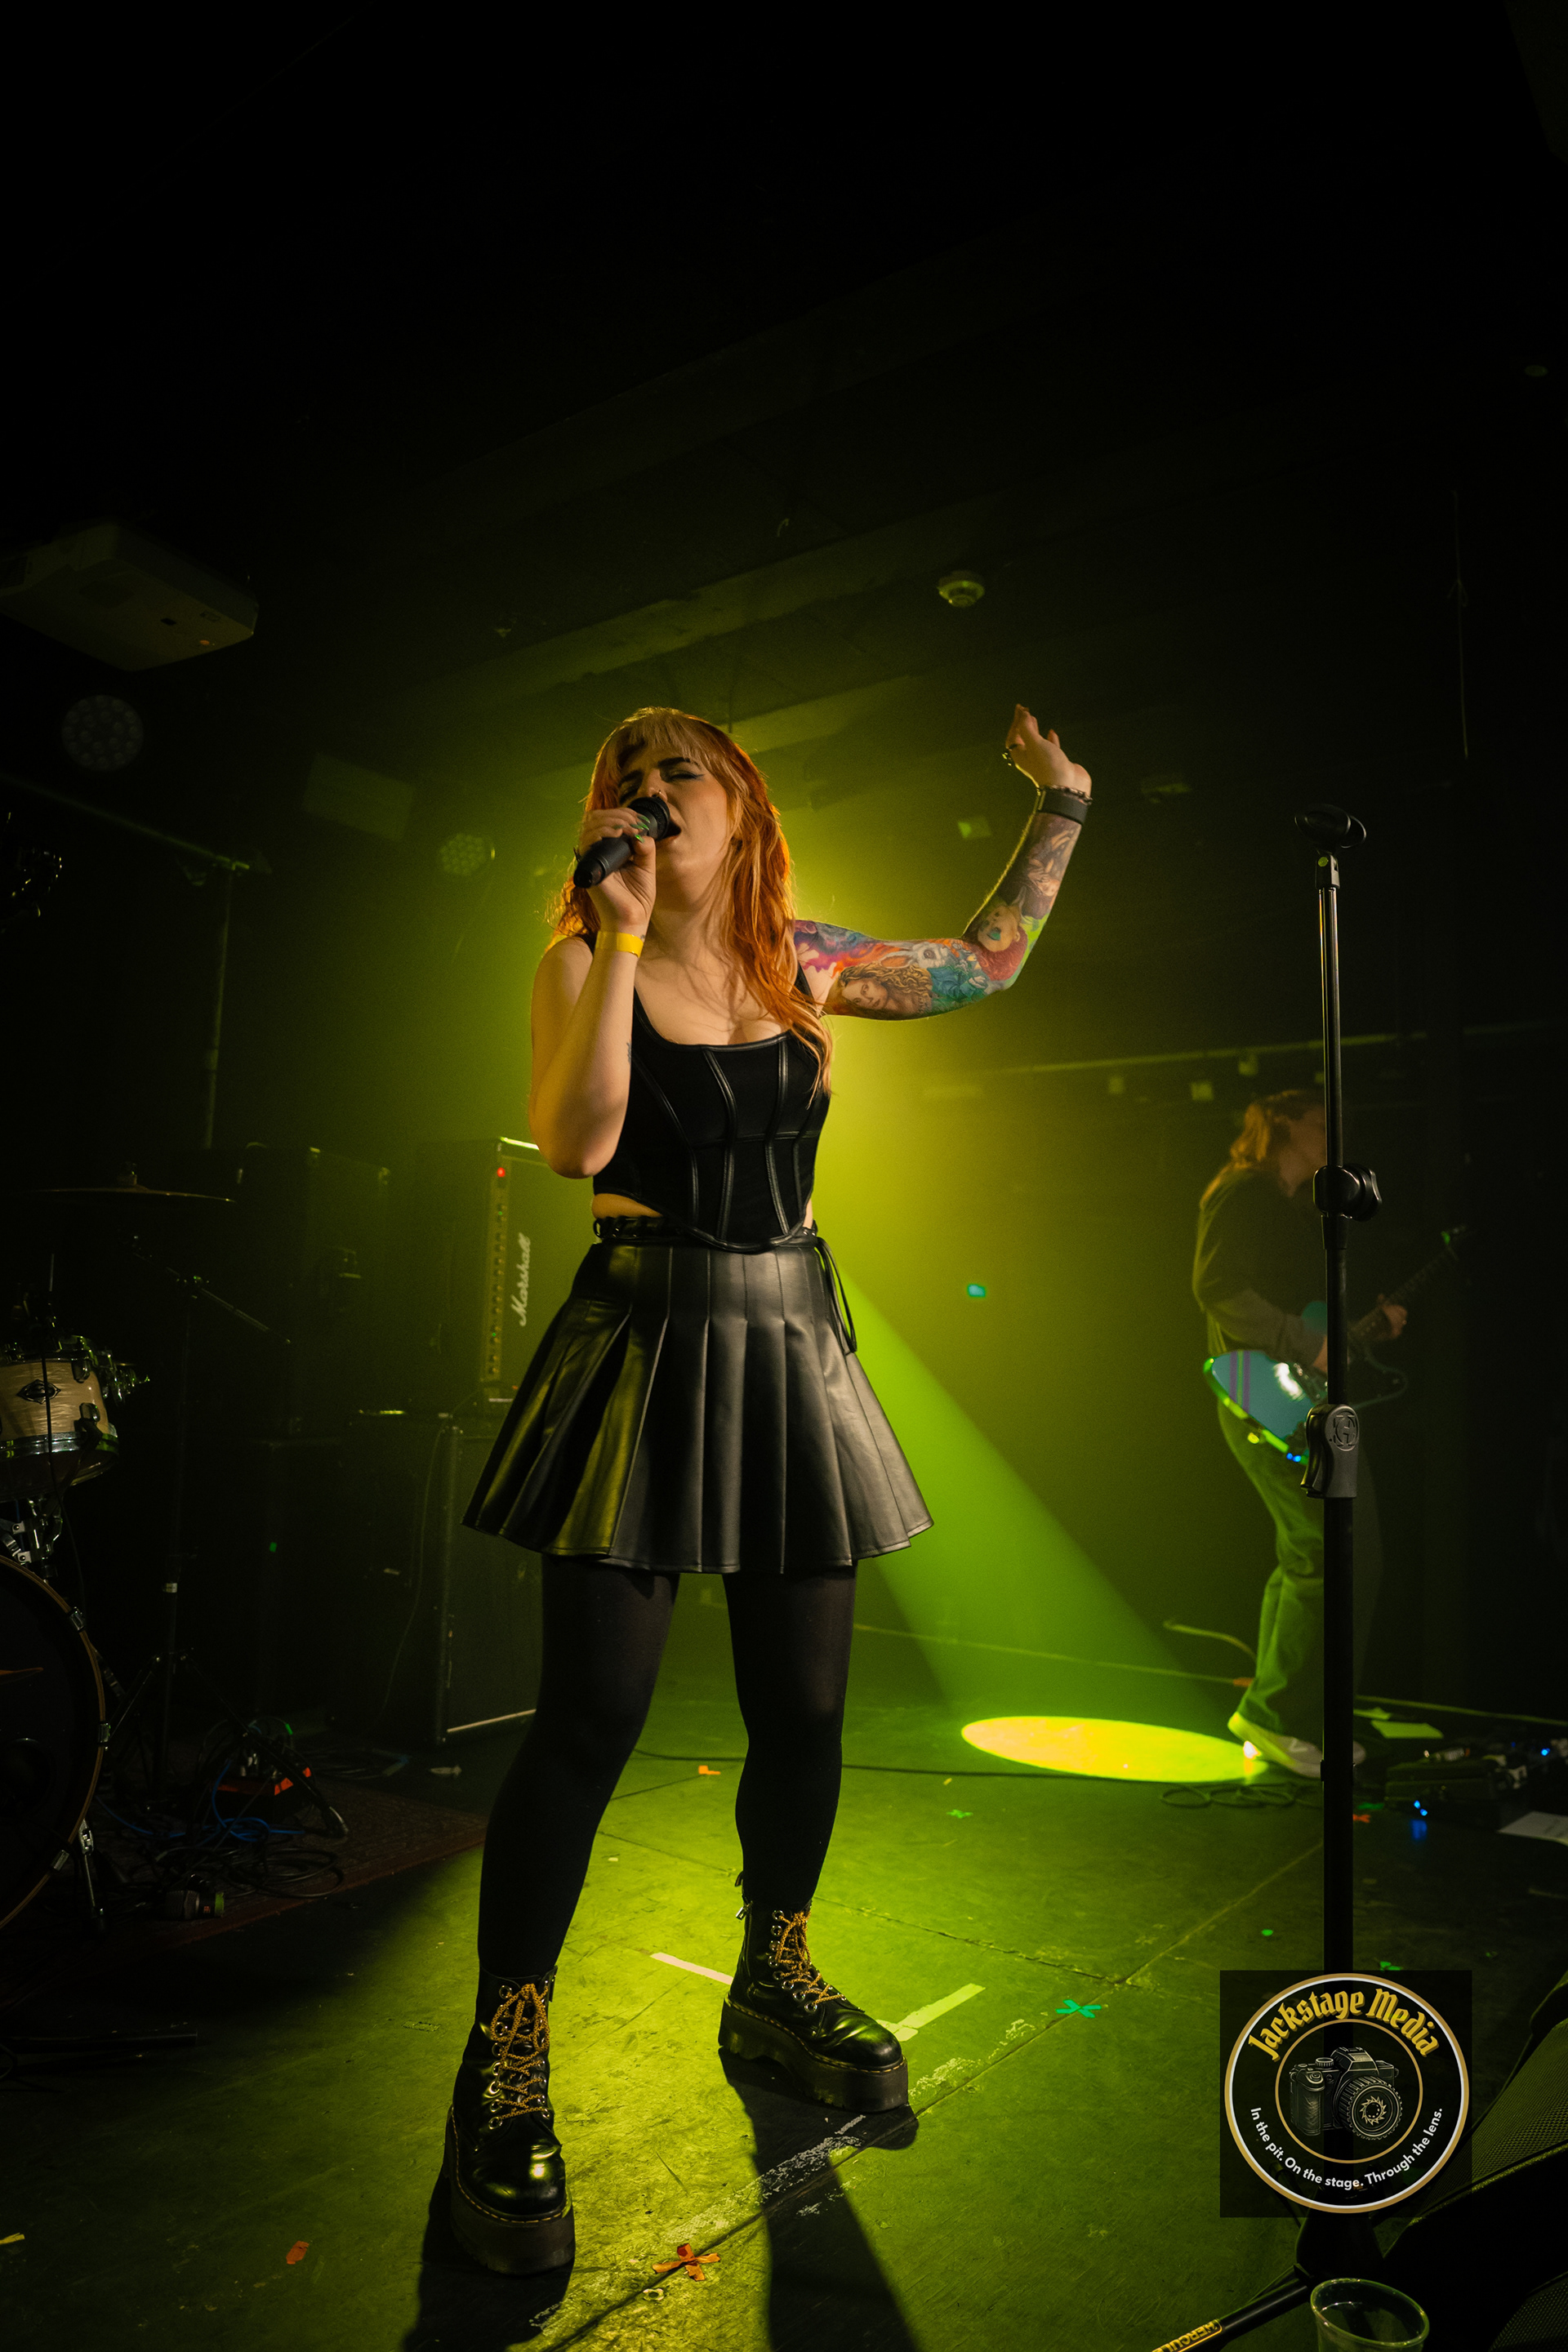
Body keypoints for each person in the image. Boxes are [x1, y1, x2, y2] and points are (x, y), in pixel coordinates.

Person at [443, 700, 1090, 2274]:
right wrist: (615, 939)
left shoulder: (803, 960)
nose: (654, 790)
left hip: (791, 1333)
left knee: (804, 1708)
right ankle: (505, 2056)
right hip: (641, 1329)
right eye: (629, 777)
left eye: (684, 771)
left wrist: (1063, 805)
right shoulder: (578, 961)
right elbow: (575, 1140)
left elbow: (985, 965)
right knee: (592, 1717)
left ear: (741, 807)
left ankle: (774, 1974)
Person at [1192, 1089, 1406, 1780]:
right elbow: (1217, 1286)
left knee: (1316, 1556)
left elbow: (1301, 1319)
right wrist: (1305, 1343)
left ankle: (1290, 1714)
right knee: (1332, 1552)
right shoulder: (1244, 1191)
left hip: (1286, 1396)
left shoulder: (1287, 1206)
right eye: (1321, 1125)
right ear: (1282, 1125)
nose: (1333, 1138)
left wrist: (1359, 1329)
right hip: (1265, 1397)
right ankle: (1279, 1716)